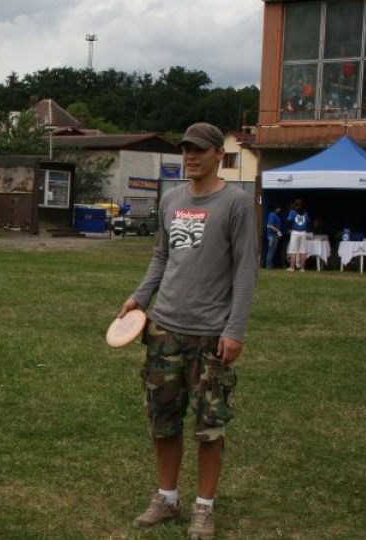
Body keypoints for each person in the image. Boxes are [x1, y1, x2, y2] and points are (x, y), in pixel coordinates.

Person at [117, 122, 256, 540]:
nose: (190, 156)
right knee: (163, 419)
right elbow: (161, 255)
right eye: (185, 150)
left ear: (218, 154)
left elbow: (246, 271)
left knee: (209, 426)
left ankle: (204, 507)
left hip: (212, 334)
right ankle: (167, 498)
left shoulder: (236, 204)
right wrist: (140, 298)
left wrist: (235, 329)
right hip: (164, 328)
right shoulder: (172, 200)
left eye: (198, 149)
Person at [286, 199, 310, 272]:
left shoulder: (292, 212)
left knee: (293, 250)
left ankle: (292, 268)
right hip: (303, 232)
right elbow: (308, 222)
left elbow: (288, 221)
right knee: (303, 251)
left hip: (295, 232)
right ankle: (302, 268)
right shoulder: (305, 213)